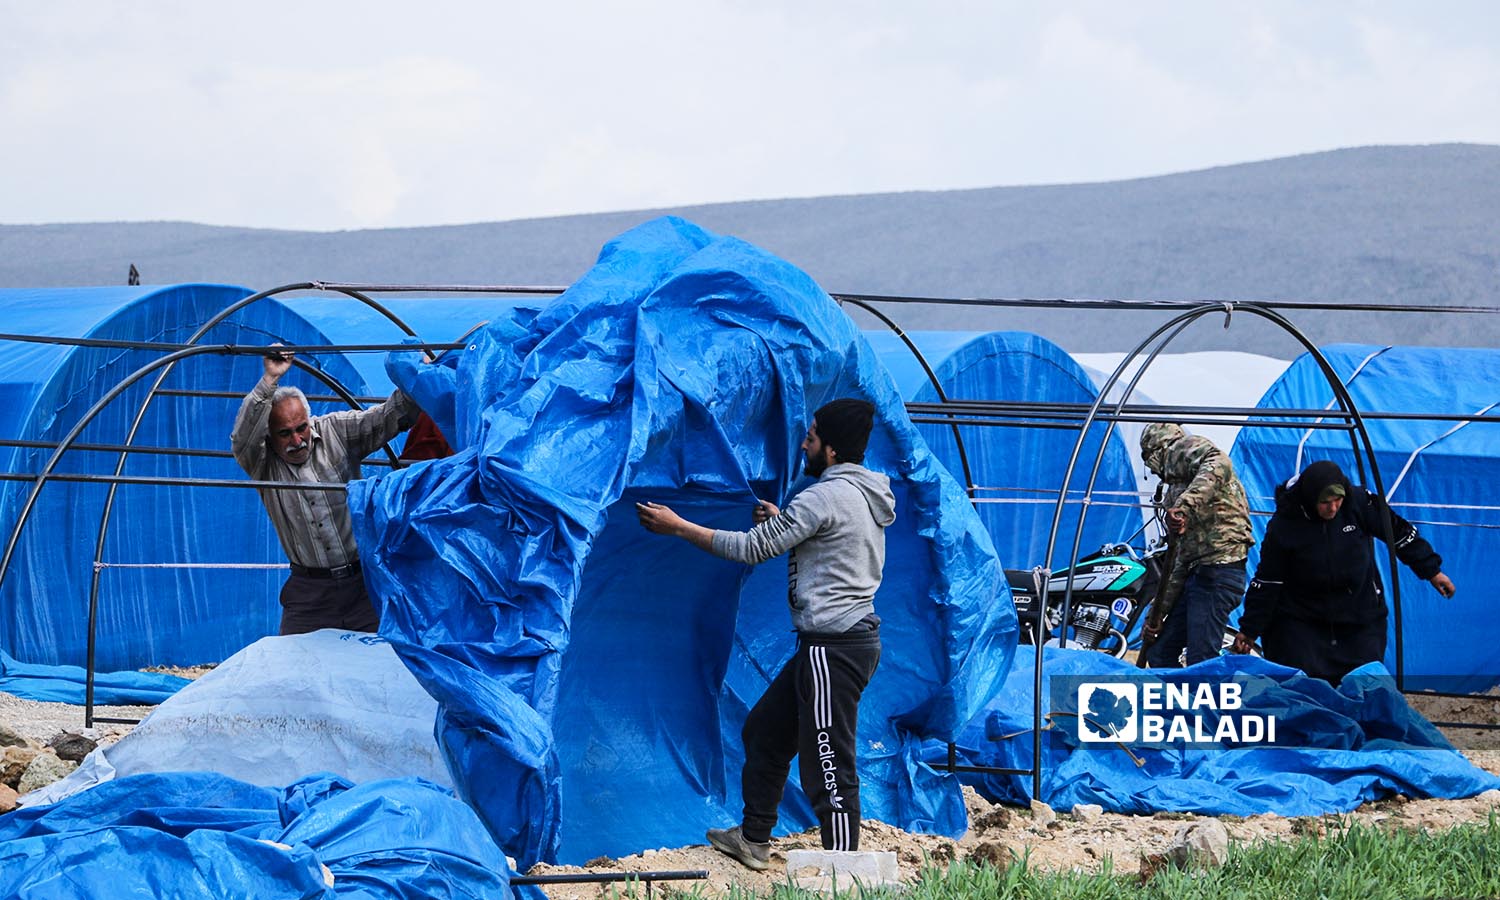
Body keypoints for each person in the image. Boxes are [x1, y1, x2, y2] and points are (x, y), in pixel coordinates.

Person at [635, 399, 894, 870]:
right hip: (844, 642)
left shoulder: (823, 497)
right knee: (766, 733)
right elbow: (825, 537)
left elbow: (752, 548)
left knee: (827, 757)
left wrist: (678, 527)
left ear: (831, 451)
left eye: (811, 436)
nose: (803, 442)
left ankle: (845, 869)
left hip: (832, 648)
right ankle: (753, 839)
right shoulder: (858, 492)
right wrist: (783, 519)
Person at [232, 344, 419, 635]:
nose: (297, 439)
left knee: (379, 660)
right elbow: (242, 438)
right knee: (295, 668)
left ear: (310, 420)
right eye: (285, 433)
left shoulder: (336, 430)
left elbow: (386, 418)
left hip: (363, 584)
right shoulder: (261, 461)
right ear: (269, 436)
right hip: (309, 593)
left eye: (301, 428)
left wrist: (418, 374)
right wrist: (269, 379)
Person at [1232, 459, 1456, 685]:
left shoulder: (1358, 502)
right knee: (1303, 685)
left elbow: (1398, 532)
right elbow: (1268, 580)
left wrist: (1432, 571)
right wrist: (1249, 630)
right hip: (1303, 621)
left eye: (1337, 500)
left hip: (1359, 617)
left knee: (1365, 686)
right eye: (1325, 502)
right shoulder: (1285, 524)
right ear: (1311, 498)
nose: (1332, 508)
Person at [1138, 423, 1256, 667]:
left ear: (1156, 451)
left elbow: (1219, 461)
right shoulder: (1175, 491)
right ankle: (1178, 703)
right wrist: (1156, 615)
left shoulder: (1180, 450)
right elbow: (1177, 561)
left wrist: (1185, 506)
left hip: (1220, 568)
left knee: (1201, 660)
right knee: (1160, 653)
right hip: (1198, 573)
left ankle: (1208, 704)